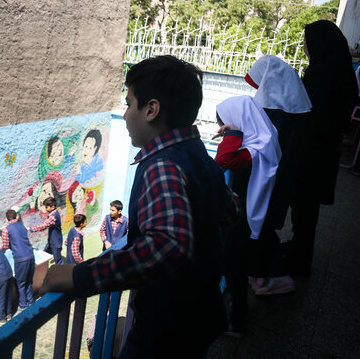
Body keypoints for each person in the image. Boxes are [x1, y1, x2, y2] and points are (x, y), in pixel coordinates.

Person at [41, 55, 242, 358]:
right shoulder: (196, 153)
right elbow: (231, 211)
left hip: (166, 329)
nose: (124, 115)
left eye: (128, 103)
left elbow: (169, 245)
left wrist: (79, 276)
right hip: (202, 315)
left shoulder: (162, 166)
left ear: (151, 110)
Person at [288, 20, 357, 276]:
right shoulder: (340, 70)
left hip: (312, 151)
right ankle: (298, 250)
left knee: (304, 206)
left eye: (306, 41)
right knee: (307, 207)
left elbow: (313, 116)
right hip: (324, 149)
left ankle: (299, 261)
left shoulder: (320, 76)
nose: (304, 46)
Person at [244, 55, 311, 295]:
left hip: (269, 176)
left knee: (258, 224)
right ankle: (261, 275)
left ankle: (274, 274)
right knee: (264, 224)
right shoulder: (297, 108)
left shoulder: (272, 111)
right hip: (285, 176)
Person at [214, 95, 281, 332]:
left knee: (234, 269)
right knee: (235, 269)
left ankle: (236, 321)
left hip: (241, 219)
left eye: (225, 122)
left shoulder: (253, 150)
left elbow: (222, 159)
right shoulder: (264, 139)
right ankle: (236, 316)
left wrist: (233, 135)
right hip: (247, 214)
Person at [1, 209, 35, 310]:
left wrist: (0, 249)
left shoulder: (6, 230)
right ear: (16, 217)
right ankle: (30, 300)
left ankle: (23, 305)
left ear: (7, 220)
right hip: (30, 255)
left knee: (20, 282)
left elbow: (6, 245)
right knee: (29, 280)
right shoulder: (23, 226)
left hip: (21, 258)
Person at [29, 197, 64, 265]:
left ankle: (63, 272)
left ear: (53, 207)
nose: (45, 209)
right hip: (52, 241)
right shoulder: (54, 213)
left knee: (58, 261)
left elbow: (44, 225)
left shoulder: (53, 217)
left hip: (55, 242)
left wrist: (31, 228)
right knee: (44, 254)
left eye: (46, 207)